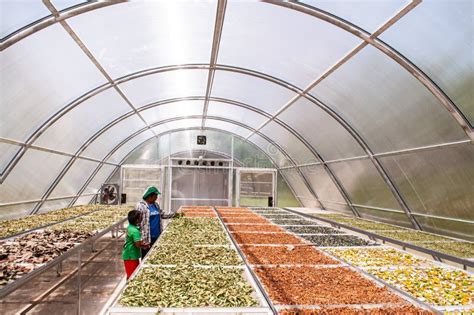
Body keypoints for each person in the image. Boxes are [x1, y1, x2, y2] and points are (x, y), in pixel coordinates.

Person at [136, 186, 175, 258]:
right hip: (147, 237)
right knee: (146, 257)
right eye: (155, 195)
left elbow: (162, 214)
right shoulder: (141, 206)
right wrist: (138, 238)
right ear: (150, 196)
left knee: (155, 256)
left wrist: (174, 214)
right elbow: (137, 222)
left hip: (157, 235)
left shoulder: (156, 205)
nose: (156, 197)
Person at [122, 210, 149, 280]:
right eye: (140, 217)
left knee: (131, 273)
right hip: (131, 255)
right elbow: (137, 244)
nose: (142, 218)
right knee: (132, 276)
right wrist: (144, 245)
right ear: (137, 220)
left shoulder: (130, 227)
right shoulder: (135, 231)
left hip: (128, 253)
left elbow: (133, 240)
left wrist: (141, 242)